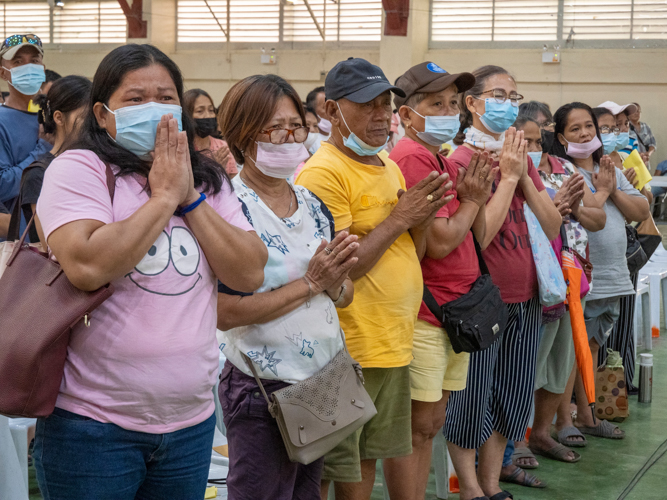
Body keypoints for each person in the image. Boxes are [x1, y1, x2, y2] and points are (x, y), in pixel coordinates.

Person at [33, 44, 268, 499]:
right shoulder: (79, 169)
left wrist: (190, 199)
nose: (153, 110)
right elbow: (87, 265)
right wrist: (162, 198)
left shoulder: (202, 179)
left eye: (164, 97)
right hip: (92, 427)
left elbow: (249, 272)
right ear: (102, 114)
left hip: (190, 425)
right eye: (135, 99)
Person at [297, 57, 452, 500]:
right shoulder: (322, 173)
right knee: (330, 469)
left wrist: (420, 219)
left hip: (390, 343)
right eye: (368, 105)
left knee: (364, 460)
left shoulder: (387, 166)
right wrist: (401, 217)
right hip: (349, 347)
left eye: (386, 103)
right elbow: (338, 268)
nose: (382, 115)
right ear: (331, 111)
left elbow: (412, 253)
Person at [215, 73, 358, 500]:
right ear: (242, 135)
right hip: (263, 385)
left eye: (297, 125)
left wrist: (331, 284)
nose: (289, 136)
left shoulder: (312, 204)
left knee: (304, 492)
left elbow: (344, 291)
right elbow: (225, 311)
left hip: (320, 377)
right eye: (274, 127)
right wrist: (312, 283)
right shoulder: (229, 207)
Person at [444, 65, 561, 500]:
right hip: (480, 302)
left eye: (513, 97)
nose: (508, 105)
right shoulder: (461, 161)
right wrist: (508, 178)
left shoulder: (521, 158)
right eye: (498, 94)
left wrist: (521, 175)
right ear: (472, 104)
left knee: (509, 398)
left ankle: (492, 485)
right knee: (471, 400)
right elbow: (481, 236)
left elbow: (550, 226)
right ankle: (470, 488)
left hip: (525, 296)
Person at [389, 61, 494, 500]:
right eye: (437, 104)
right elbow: (441, 242)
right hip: (429, 314)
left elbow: (478, 234)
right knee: (418, 427)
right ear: (408, 115)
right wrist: (472, 201)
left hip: (453, 311)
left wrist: (475, 201)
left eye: (454, 103)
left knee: (431, 424)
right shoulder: (412, 157)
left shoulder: (438, 157)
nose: (449, 111)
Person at [552, 101, 649, 441]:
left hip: (612, 274)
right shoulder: (561, 170)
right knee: (570, 352)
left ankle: (587, 414)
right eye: (575, 128)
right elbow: (588, 211)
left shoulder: (607, 167)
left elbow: (641, 207)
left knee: (591, 347)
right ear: (562, 138)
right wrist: (606, 191)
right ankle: (564, 419)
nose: (585, 133)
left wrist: (612, 188)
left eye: (589, 126)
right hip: (581, 277)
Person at [513, 115, 606, 464]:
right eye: (528, 141)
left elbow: (597, 218)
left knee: (560, 359)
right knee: (529, 363)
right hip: (530, 281)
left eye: (539, 142)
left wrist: (575, 206)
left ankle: (540, 433)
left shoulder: (564, 169)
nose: (534, 149)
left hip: (568, 278)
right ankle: (516, 439)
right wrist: (554, 206)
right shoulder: (508, 175)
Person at [16, 75, 92, 246]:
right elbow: (51, 245)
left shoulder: (97, 163)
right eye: (85, 117)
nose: (92, 126)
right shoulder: (38, 174)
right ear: (58, 118)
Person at [0, 34, 51, 207]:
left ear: (42, 70)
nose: (28, 68)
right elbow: (2, 186)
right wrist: (42, 150)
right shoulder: (2, 121)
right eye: (18, 62)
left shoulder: (56, 117)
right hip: (19, 231)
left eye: (34, 61)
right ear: (2, 72)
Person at [182, 88, 237, 177]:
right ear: (187, 116)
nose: (208, 115)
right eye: (200, 111)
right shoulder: (181, 148)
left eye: (211, 110)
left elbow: (232, 184)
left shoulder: (223, 147)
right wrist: (214, 167)